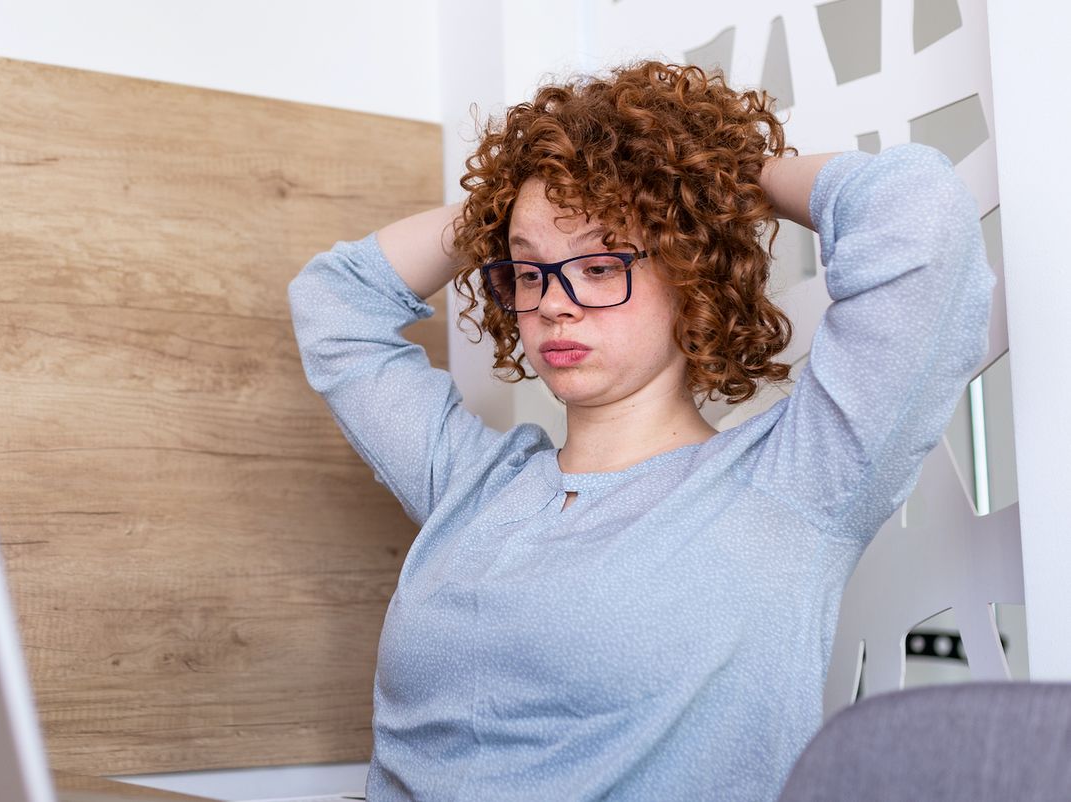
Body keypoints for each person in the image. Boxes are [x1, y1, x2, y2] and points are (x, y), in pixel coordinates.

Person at [286, 61, 993, 801]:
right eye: (530, 274)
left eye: (598, 263)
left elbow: (923, 217)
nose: (556, 304)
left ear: (692, 271)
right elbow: (337, 303)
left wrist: (717, 180)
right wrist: (506, 214)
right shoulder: (472, 485)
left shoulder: (795, 486)